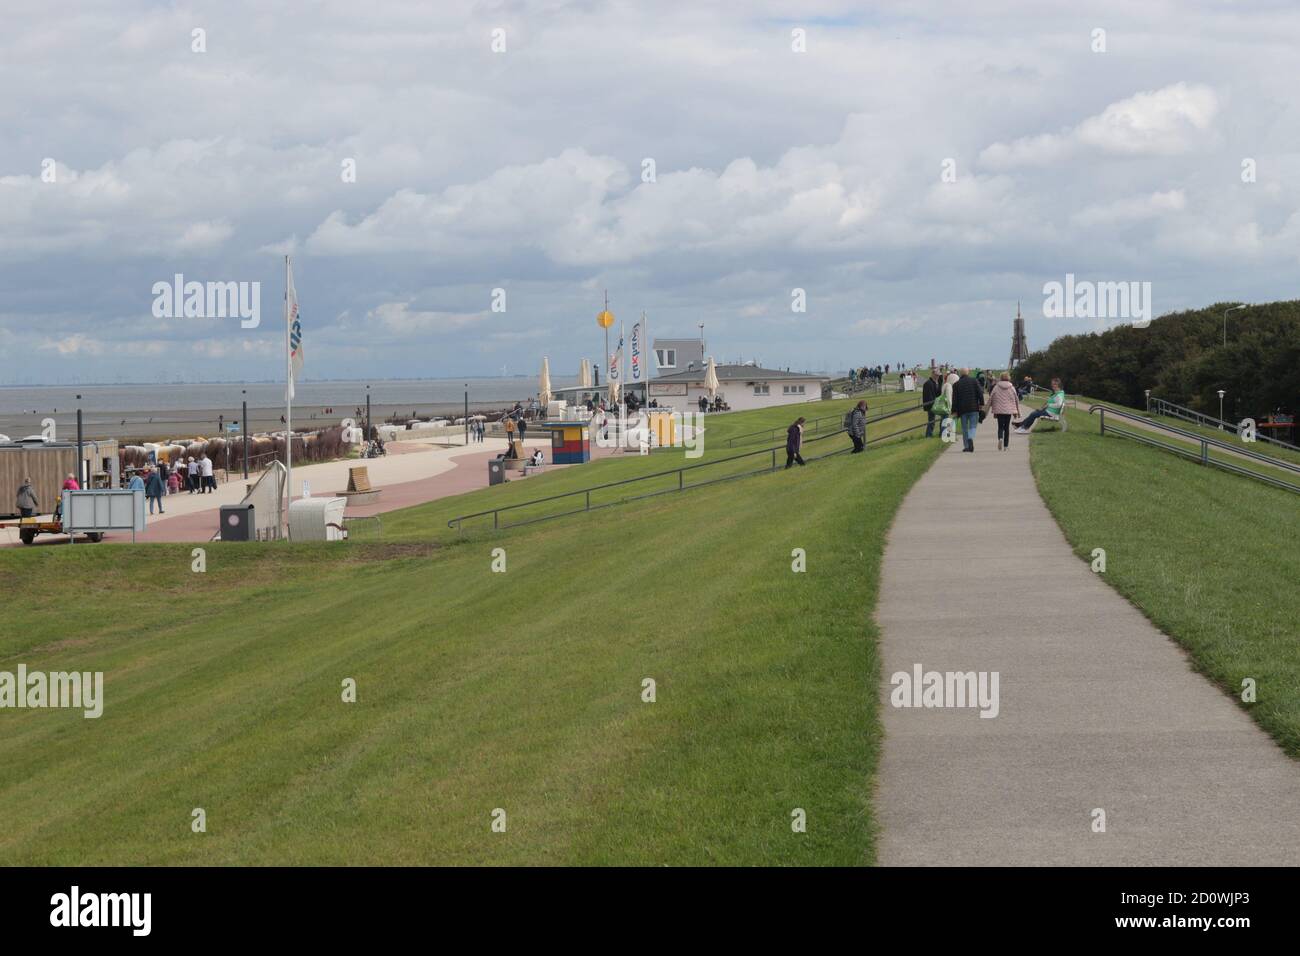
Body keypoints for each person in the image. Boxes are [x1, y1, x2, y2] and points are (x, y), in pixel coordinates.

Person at [951, 367, 984, 452]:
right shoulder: (974, 381)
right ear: (968, 373)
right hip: (973, 408)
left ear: (960, 374)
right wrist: (981, 404)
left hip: (962, 410)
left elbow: (954, 399)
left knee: (964, 428)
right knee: (973, 426)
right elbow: (980, 393)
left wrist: (954, 411)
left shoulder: (956, 384)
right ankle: (970, 438)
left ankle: (966, 446)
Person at [987, 372, 1021, 451]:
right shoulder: (1012, 387)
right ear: (1008, 378)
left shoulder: (996, 387)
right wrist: (1017, 411)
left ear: (1001, 378)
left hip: (999, 410)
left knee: (1000, 427)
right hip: (1008, 411)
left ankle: (1000, 438)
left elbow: (991, 397)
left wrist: (988, 407)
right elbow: (1016, 399)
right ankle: (1006, 446)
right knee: (1006, 428)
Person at [922, 368, 943, 437]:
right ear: (933, 374)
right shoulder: (928, 383)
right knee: (932, 421)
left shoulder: (936, 382)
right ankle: (928, 435)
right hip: (931, 405)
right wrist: (934, 404)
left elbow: (938, 393)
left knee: (943, 416)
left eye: (939, 375)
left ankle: (940, 433)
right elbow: (928, 397)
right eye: (936, 375)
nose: (938, 376)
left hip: (936, 404)